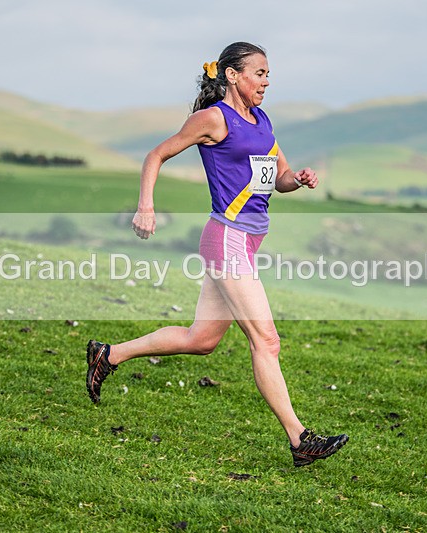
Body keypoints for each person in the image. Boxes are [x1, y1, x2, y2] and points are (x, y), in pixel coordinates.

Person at [87, 42, 348, 467]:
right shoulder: (213, 119)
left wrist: (297, 179)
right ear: (231, 75)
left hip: (247, 240)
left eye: (268, 74)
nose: (266, 81)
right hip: (227, 239)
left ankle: (108, 355)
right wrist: (146, 206)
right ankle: (301, 440)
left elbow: (277, 178)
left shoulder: (263, 121)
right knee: (266, 340)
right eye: (259, 73)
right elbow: (156, 154)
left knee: (201, 340)